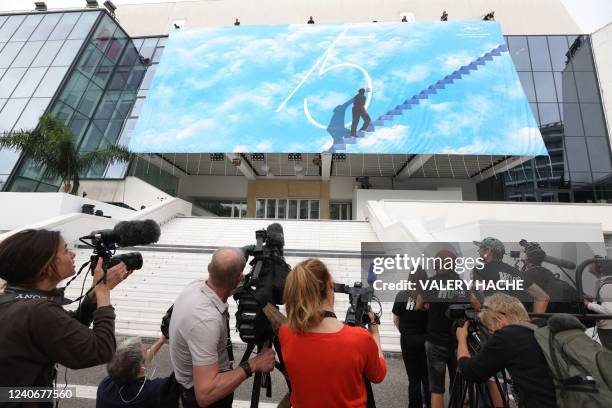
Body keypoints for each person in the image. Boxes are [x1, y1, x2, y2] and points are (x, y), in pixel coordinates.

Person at [0, 229, 130, 408]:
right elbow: (101, 349)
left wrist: (92, 298)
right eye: (65, 250)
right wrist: (103, 293)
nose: (73, 253)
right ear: (44, 265)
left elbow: (61, 331)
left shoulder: (13, 300)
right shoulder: (38, 310)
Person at [169, 247, 276, 408]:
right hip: (202, 397)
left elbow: (225, 278)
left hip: (187, 381)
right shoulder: (206, 321)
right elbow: (205, 395)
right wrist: (253, 364)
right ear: (239, 277)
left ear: (209, 268)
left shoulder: (196, 286)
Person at [279, 258, 386, 407]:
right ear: (330, 285)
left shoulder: (285, 332)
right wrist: (374, 333)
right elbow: (378, 375)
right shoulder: (360, 339)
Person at [455, 293, 557, 407]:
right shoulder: (542, 328)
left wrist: (462, 338)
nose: (492, 334)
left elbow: (469, 371)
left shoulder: (508, 335)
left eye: (490, 329)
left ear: (499, 320)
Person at [417, 250, 469, 408]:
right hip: (456, 342)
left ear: (436, 264)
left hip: (435, 341)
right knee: (458, 385)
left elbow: (418, 305)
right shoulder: (460, 283)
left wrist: (430, 307)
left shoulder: (430, 283)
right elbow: (473, 303)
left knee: (436, 389)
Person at [472, 238, 549, 313]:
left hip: (496, 322)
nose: (478, 250)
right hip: (519, 323)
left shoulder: (479, 270)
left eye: (480, 248)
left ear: (488, 251)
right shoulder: (517, 273)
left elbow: (477, 298)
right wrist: (535, 321)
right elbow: (543, 297)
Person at [97, 334, 168, 407]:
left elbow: (135, 362)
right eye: (146, 352)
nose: (148, 353)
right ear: (142, 368)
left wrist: (161, 340)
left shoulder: (105, 386)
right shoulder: (153, 391)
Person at [392, 267, 430, 408]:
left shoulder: (401, 295)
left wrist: (405, 332)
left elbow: (396, 319)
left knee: (413, 378)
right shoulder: (429, 296)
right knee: (427, 378)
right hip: (426, 340)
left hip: (408, 340)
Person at [586, 262, 612, 349]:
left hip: (609, 330)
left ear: (600, 268)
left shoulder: (607, 285)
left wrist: (588, 304)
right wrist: (593, 300)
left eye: (592, 263)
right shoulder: (606, 283)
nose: (589, 264)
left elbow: (609, 311)